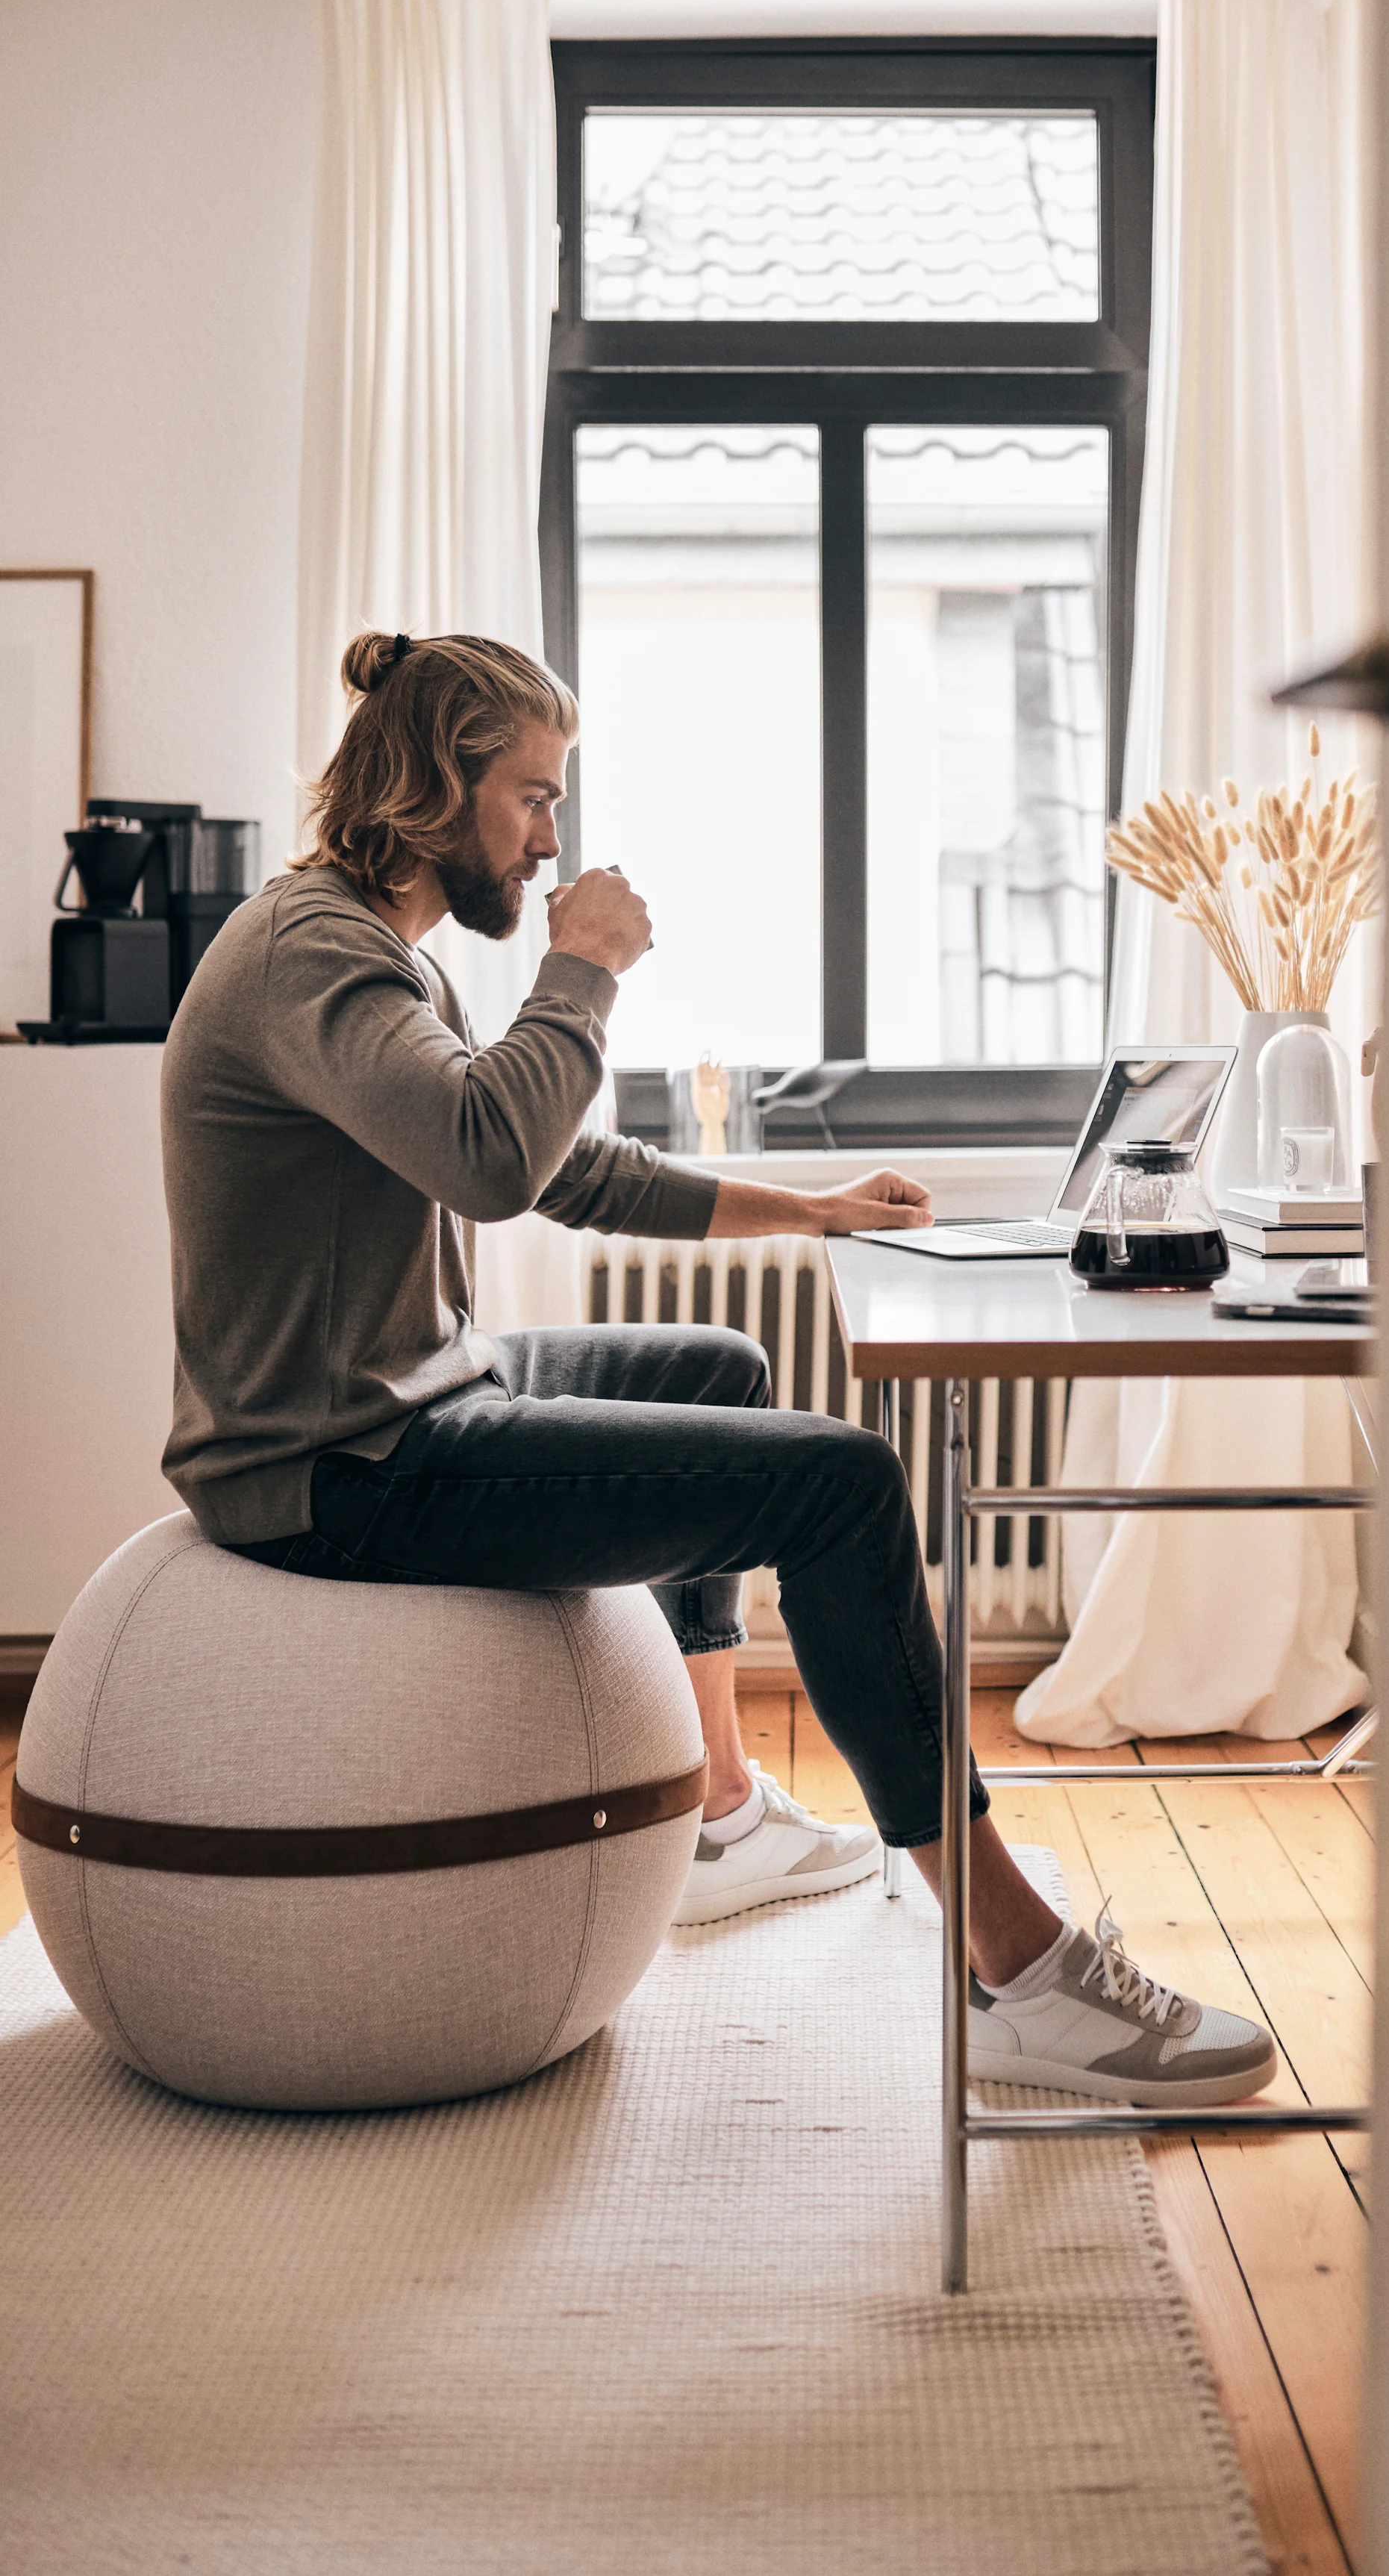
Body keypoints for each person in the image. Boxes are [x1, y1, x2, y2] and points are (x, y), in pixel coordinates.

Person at [158, 630, 1275, 2109]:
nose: (553, 836)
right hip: (337, 1469)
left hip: (395, 1403)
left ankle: (720, 1813)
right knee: (844, 1486)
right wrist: (583, 970)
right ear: (439, 785)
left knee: (722, 1365)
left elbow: (553, 1164)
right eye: (532, 796)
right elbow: (495, 1160)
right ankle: (1015, 1968)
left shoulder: (361, 949)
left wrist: (806, 1210)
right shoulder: (317, 955)